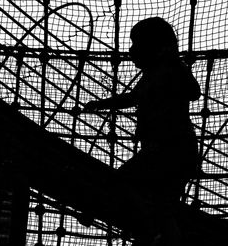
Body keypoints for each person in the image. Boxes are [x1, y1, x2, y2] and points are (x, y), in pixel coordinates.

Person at [84, 17, 201, 245]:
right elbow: (132, 98)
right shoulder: (153, 73)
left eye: (138, 44)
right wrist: (103, 103)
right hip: (163, 150)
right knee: (160, 205)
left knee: (126, 183)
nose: (132, 50)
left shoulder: (170, 70)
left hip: (171, 151)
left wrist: (173, 64)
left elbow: (193, 91)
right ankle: (156, 235)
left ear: (156, 48)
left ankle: (151, 233)